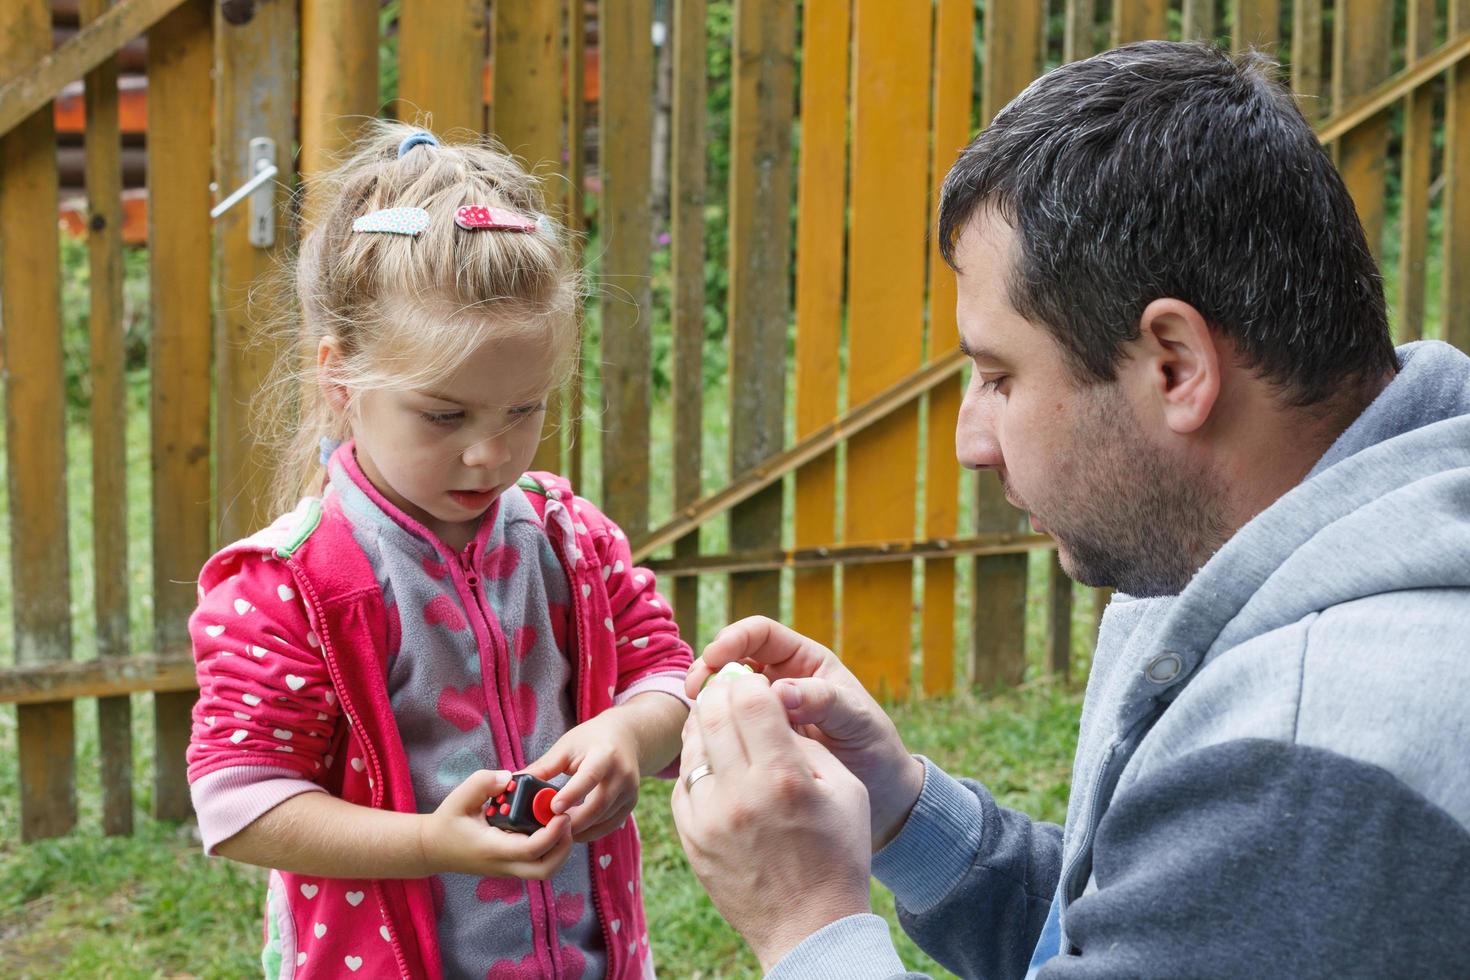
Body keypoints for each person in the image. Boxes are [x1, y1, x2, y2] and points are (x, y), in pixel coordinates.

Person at [671, 41, 1470, 979]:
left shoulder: (1310, 744)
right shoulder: (1262, 550)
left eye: (1000, 376)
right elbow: (1171, 935)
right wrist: (901, 809)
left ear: (1175, 365)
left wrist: (808, 921)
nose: (973, 439)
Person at [186, 122, 690, 979]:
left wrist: (627, 735)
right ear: (340, 379)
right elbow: (242, 803)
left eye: (522, 410)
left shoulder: (570, 538)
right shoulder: (289, 585)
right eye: (445, 415)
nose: (488, 454)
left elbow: (669, 674)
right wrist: (430, 842)